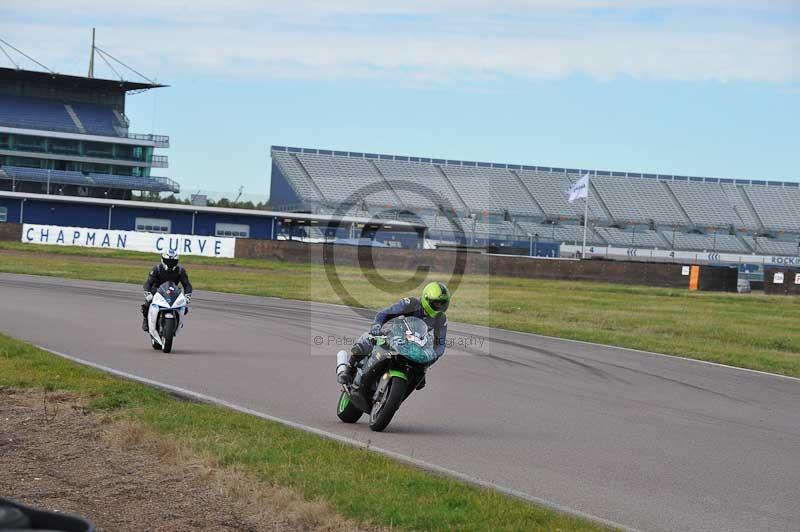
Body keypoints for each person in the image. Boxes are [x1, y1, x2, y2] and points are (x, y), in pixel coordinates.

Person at [337, 281, 451, 385]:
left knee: (420, 379)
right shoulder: (411, 303)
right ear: (427, 299)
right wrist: (377, 325)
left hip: (416, 345)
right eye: (437, 303)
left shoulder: (441, 318)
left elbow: (440, 344)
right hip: (394, 335)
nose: (440, 307)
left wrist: (432, 357)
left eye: (443, 304)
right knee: (368, 338)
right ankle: (349, 369)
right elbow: (386, 313)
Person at [141, 250, 193, 331]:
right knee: (147, 304)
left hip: (173, 291)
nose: (170, 264)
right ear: (163, 260)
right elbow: (148, 283)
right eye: (168, 261)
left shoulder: (180, 271)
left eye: (172, 262)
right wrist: (148, 293)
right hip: (157, 291)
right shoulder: (156, 269)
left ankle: (179, 320)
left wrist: (187, 296)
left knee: (183, 307)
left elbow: (187, 285)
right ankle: (146, 320)